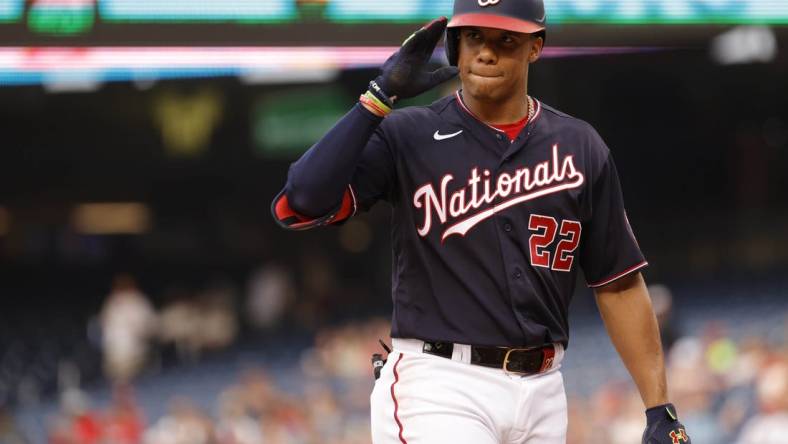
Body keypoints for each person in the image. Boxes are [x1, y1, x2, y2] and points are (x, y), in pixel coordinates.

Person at [272, 1, 690, 443]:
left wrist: (658, 407)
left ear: (535, 47)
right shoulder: (408, 135)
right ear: (454, 44)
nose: (486, 53)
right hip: (440, 384)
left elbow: (619, 283)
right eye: (473, 37)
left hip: (544, 390)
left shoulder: (579, 147)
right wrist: (376, 99)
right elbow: (300, 201)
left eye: (504, 39)